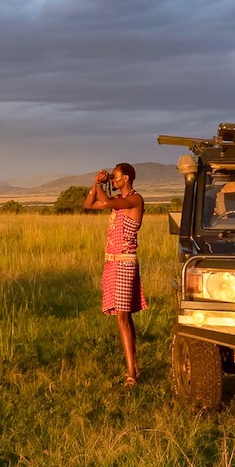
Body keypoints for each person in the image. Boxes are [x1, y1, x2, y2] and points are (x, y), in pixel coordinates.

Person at [85, 162, 146, 386]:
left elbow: (108, 201)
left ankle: (131, 373)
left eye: (117, 177)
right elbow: (89, 204)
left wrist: (101, 183)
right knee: (123, 318)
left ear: (127, 178)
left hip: (124, 263)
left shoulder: (134, 199)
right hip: (112, 263)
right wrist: (95, 185)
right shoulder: (119, 203)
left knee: (122, 317)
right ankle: (133, 367)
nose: (114, 180)